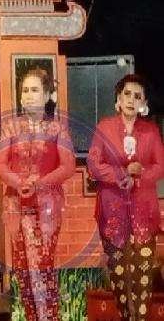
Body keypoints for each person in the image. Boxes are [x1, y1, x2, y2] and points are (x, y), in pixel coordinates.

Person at [0, 68, 75, 321]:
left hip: (46, 208)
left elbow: (68, 166)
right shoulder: (10, 127)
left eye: (35, 90)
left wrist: (39, 183)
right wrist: (18, 182)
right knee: (23, 270)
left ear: (48, 95)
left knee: (42, 267)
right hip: (16, 206)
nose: (29, 95)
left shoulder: (57, 128)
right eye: (25, 91)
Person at [88, 74, 163, 320]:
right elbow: (93, 164)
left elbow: (160, 166)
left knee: (143, 280)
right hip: (113, 214)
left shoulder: (151, 131)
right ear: (118, 99)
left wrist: (139, 176)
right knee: (120, 281)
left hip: (144, 215)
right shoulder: (104, 127)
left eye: (137, 96)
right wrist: (121, 174)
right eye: (127, 94)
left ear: (144, 103)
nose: (132, 99)